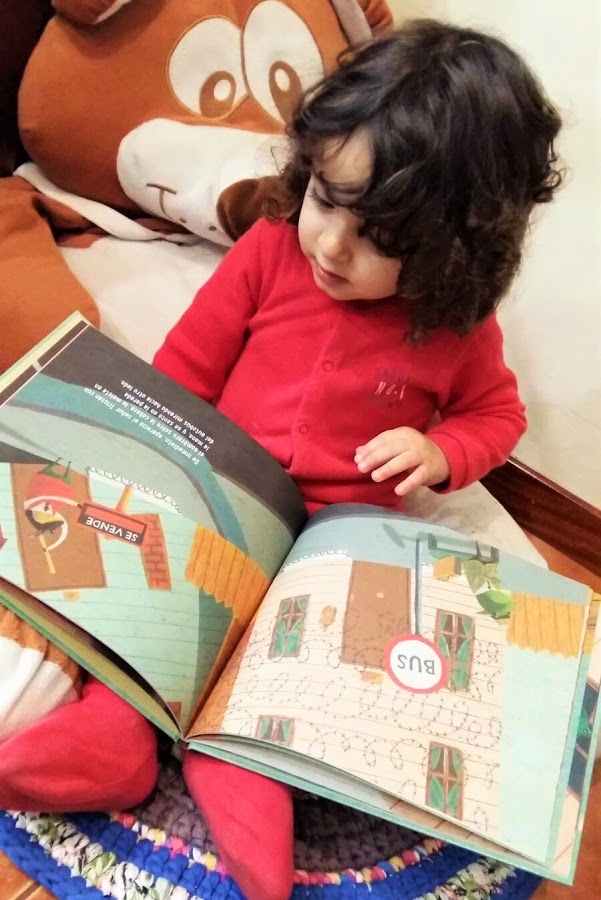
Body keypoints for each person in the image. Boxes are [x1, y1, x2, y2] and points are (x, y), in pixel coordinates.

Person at [0, 18, 562, 900]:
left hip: (343, 530)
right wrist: (159, 457)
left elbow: (497, 414)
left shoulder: (453, 325)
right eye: (327, 201)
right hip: (225, 490)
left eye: (381, 238)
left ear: (456, 251)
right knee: (166, 612)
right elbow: (186, 368)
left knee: (296, 663)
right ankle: (117, 732)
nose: (332, 245)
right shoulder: (268, 251)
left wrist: (439, 450)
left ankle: (244, 770)